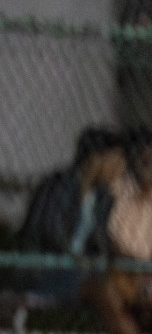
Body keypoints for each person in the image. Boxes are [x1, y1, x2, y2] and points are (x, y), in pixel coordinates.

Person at [16, 126, 124, 303]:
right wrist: (81, 261)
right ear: (95, 158)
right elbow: (51, 233)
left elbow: (101, 241)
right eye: (115, 158)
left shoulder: (102, 197)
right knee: (104, 288)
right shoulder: (56, 187)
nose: (120, 165)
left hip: (84, 270)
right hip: (48, 267)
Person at [87, 128, 152, 334]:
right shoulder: (120, 192)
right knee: (108, 287)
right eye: (143, 159)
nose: (147, 166)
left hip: (146, 278)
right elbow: (112, 245)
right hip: (123, 275)